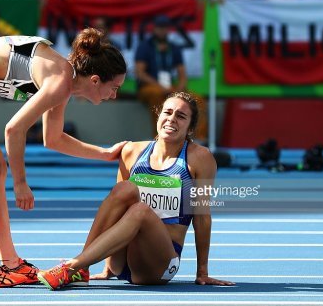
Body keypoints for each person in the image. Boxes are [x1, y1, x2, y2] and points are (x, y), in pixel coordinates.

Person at [0, 29, 127, 288]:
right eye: (114, 87)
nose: (114, 95)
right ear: (95, 80)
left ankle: (11, 262)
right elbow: (14, 129)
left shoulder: (63, 81)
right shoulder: (60, 81)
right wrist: (21, 183)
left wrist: (105, 154)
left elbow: (53, 139)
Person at [37, 92, 235, 289]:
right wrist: (108, 268)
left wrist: (202, 273)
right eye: (168, 112)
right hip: (121, 261)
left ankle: (73, 266)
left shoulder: (200, 158)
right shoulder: (132, 151)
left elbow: (201, 217)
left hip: (160, 265)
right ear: (159, 116)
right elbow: (115, 209)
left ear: (190, 128)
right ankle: (82, 267)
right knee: (124, 189)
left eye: (181, 116)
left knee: (140, 211)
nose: (171, 119)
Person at [135, 15, 208, 143]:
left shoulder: (174, 48)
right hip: (150, 87)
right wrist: (160, 86)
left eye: (165, 28)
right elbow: (140, 73)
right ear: (154, 29)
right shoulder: (145, 46)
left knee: (197, 100)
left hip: (170, 87)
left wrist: (179, 89)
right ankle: (159, 137)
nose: (162, 31)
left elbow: (183, 75)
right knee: (157, 94)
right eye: (159, 28)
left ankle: (199, 139)